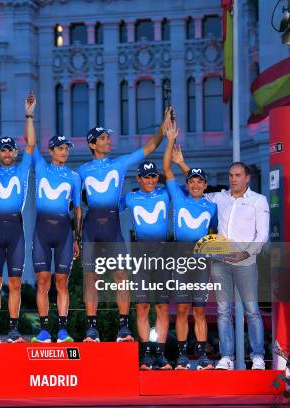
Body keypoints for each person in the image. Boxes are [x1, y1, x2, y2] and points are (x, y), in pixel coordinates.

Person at [77, 108, 172, 343]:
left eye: (108, 138)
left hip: (112, 228)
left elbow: (149, 148)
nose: (109, 141)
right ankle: (92, 329)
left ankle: (123, 328)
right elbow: (74, 205)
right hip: (90, 229)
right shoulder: (81, 171)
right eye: (103, 139)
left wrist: (163, 127)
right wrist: (75, 237)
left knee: (121, 276)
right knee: (91, 278)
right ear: (92, 145)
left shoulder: (119, 164)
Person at [177, 158, 269, 370]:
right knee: (223, 311)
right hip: (220, 263)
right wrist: (182, 165)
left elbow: (262, 235)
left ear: (247, 178)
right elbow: (196, 185)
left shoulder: (258, 200)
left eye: (237, 175)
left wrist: (245, 254)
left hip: (245, 262)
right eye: (230, 175)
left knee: (252, 310)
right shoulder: (219, 197)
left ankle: (257, 357)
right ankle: (226, 357)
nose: (233, 179)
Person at [0, 92, 36, 343]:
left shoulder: (23, 168)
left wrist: (29, 115)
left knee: (14, 283)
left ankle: (13, 329)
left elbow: (32, 145)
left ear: (14, 153)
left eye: (9, 150)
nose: (6, 153)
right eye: (2, 150)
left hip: (16, 230)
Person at [161, 124, 217, 370]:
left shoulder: (212, 206)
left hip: (201, 262)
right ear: (188, 183)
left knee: (200, 311)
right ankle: (183, 356)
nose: (195, 185)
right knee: (182, 309)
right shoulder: (179, 197)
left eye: (199, 182)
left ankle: (203, 356)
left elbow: (216, 232)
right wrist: (170, 141)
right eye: (192, 181)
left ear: (205, 186)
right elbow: (165, 168)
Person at [120, 159, 171, 370]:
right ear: (139, 178)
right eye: (146, 177)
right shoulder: (130, 197)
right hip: (140, 253)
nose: (150, 180)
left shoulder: (166, 194)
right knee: (142, 306)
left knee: (162, 307)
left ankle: (160, 354)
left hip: (162, 253)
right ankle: (146, 355)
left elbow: (189, 189)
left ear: (157, 178)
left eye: (153, 176)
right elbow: (106, 208)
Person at [30, 134, 82, 343]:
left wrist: (77, 238)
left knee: (62, 282)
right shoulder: (41, 168)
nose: (64, 152)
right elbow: (31, 142)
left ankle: (62, 330)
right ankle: (43, 330)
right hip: (42, 232)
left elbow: (78, 210)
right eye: (60, 148)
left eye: (66, 148)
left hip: (63, 234)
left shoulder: (74, 177)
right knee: (43, 281)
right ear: (51, 151)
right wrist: (29, 115)